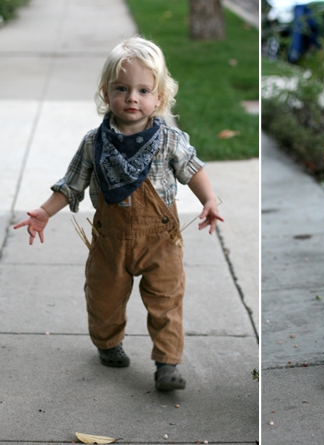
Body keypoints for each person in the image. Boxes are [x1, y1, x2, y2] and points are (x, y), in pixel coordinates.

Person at [14, 36, 224, 392]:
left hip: (161, 241)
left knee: (167, 302)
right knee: (103, 297)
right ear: (106, 92)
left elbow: (193, 169)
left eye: (144, 90)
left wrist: (210, 200)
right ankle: (108, 343)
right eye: (122, 88)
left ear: (160, 97)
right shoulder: (94, 143)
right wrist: (45, 211)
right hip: (110, 241)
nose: (132, 98)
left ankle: (167, 364)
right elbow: (72, 184)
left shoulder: (170, 140)